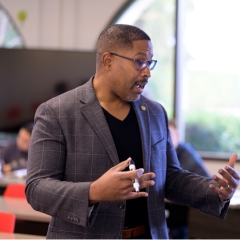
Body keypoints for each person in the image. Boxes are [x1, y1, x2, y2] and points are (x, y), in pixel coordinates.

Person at [25, 24, 239, 239]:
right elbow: (37, 189)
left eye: (149, 63)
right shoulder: (57, 112)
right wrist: (94, 191)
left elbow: (170, 177)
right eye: (139, 62)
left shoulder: (155, 112)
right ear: (108, 61)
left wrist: (215, 190)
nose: (147, 72)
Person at [167, 119, 211, 238]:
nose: (166, 140)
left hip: (186, 212)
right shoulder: (161, 154)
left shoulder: (186, 154)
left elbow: (207, 182)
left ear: (178, 136)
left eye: (169, 135)